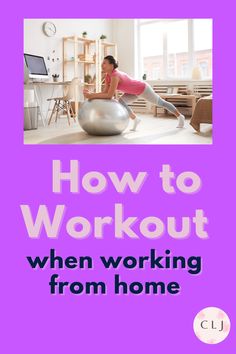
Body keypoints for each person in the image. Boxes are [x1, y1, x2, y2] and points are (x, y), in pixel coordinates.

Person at [83, 55, 185, 131]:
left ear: (111, 65)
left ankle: (180, 116)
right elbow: (105, 92)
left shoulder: (115, 76)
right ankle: (136, 119)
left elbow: (109, 96)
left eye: (104, 63)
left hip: (142, 88)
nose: (102, 64)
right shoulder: (107, 76)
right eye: (102, 62)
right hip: (132, 92)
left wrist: (91, 95)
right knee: (121, 102)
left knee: (160, 103)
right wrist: (92, 94)